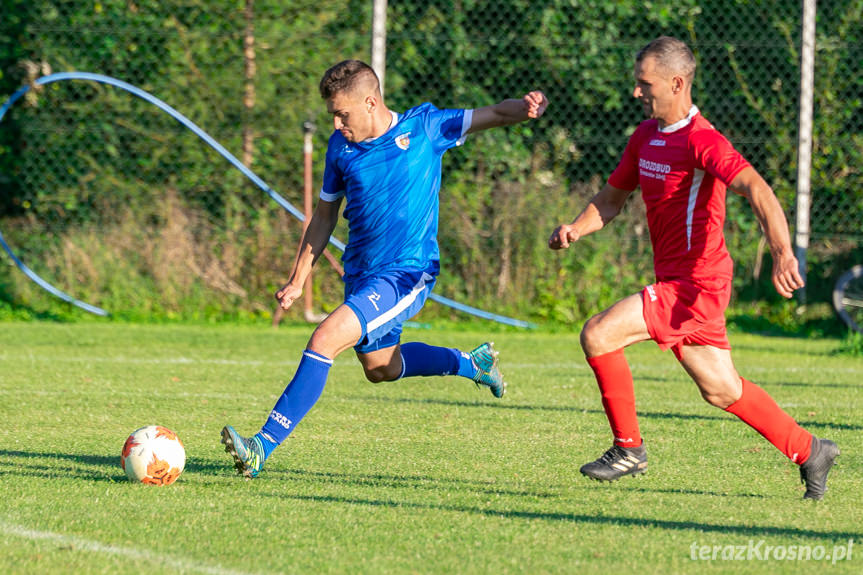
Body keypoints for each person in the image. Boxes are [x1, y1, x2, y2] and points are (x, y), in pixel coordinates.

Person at [222, 59, 548, 478]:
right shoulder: (340, 148)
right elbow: (323, 217)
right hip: (361, 273)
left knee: (325, 337)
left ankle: (260, 446)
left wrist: (527, 108)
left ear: (371, 102)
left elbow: (496, 114)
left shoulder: (427, 128)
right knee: (381, 367)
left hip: (407, 272)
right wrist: (297, 280)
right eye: (332, 115)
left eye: (343, 113)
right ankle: (473, 364)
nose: (337, 123)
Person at [548, 36, 838, 500]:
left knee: (599, 333)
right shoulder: (644, 137)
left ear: (677, 83)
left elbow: (758, 189)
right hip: (677, 283)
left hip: (697, 285)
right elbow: (611, 199)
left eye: (645, 84)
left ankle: (629, 450)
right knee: (721, 389)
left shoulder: (703, 140)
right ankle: (811, 450)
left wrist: (783, 250)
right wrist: (577, 229)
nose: (637, 92)